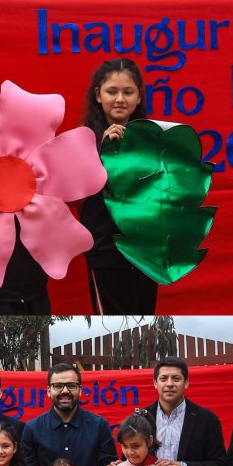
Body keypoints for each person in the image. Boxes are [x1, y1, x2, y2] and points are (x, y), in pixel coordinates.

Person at [79, 58, 158, 315]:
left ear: (139, 97)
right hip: (105, 251)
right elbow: (75, 188)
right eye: (112, 91)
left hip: (146, 251)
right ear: (98, 95)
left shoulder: (153, 138)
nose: (120, 99)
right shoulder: (83, 139)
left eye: (128, 92)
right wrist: (102, 150)